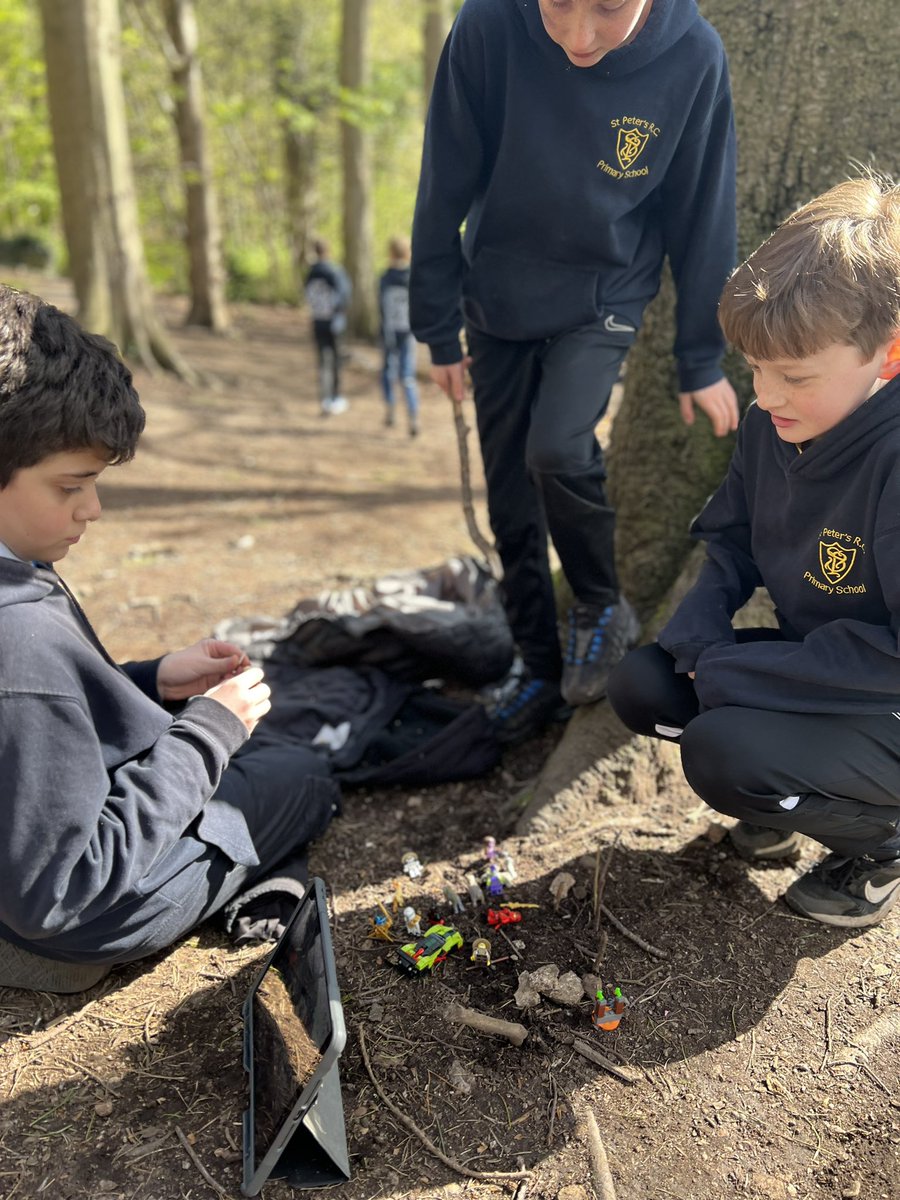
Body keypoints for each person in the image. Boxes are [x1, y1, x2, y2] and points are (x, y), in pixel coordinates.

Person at [410, 0, 739, 744]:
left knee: (556, 446)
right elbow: (444, 180)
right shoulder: (487, 28)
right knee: (509, 501)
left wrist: (699, 355)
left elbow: (703, 212)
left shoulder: (694, 56)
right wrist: (434, 326)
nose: (578, 39)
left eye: (607, 11)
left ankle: (599, 601)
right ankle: (534, 666)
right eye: (556, 6)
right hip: (494, 295)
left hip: (606, 293)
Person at [0, 284, 340, 982]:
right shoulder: (20, 635)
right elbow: (62, 890)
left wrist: (148, 679)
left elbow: (37, 728)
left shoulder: (16, 576)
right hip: (91, 916)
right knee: (300, 774)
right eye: (71, 486)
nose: (91, 508)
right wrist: (211, 731)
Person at [607, 176, 900, 929]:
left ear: (887, 356)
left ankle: (879, 845)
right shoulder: (777, 423)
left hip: (884, 699)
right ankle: (788, 798)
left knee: (722, 751)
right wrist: (702, 630)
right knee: (644, 684)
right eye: (755, 370)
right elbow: (730, 538)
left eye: (793, 376)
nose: (766, 396)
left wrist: (741, 671)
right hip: (818, 677)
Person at [378, 235, 420, 436]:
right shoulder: (414, 277)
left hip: (390, 331)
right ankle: (412, 416)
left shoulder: (384, 279)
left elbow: (380, 307)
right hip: (408, 331)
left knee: (388, 371)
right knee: (407, 374)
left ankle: (391, 409)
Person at [304, 237, 351, 416]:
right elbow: (345, 295)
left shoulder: (311, 273)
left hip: (318, 321)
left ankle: (324, 399)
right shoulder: (335, 271)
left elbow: (307, 295)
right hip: (334, 322)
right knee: (336, 360)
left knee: (323, 361)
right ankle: (335, 397)